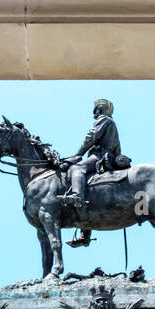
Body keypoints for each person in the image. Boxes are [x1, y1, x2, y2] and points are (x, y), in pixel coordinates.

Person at [61, 98, 129, 245]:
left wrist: (76, 156)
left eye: (96, 109)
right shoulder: (113, 125)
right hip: (109, 158)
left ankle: (77, 196)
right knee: (89, 187)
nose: (94, 112)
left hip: (99, 156)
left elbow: (91, 137)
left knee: (77, 168)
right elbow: (118, 150)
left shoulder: (104, 119)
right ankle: (85, 235)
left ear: (99, 110)